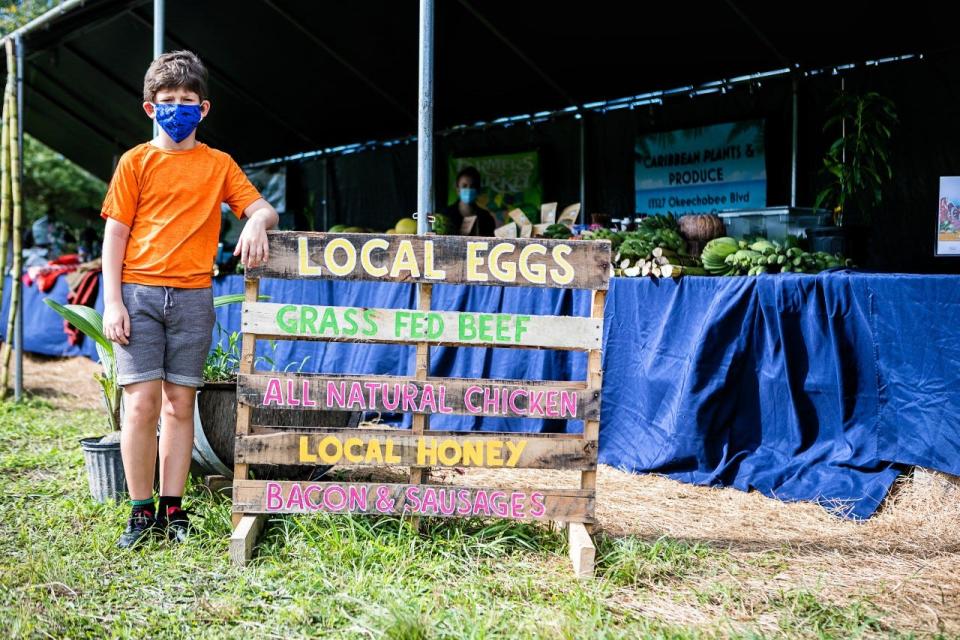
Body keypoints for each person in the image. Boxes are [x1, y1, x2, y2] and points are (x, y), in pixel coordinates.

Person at [100, 50, 279, 548]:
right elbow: (114, 237)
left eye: (186, 100)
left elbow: (262, 206)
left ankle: (174, 508)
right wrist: (112, 302)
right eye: (166, 100)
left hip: (194, 297)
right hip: (138, 295)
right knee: (140, 405)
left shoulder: (218, 165)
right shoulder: (136, 162)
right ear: (149, 107)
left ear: (203, 109)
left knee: (181, 405)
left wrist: (256, 221)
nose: (176, 108)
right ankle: (140, 511)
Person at [442, 166, 497, 236]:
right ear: (458, 189)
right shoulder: (446, 216)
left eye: (472, 186)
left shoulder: (486, 218)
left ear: (478, 190)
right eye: (464, 186)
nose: (468, 189)